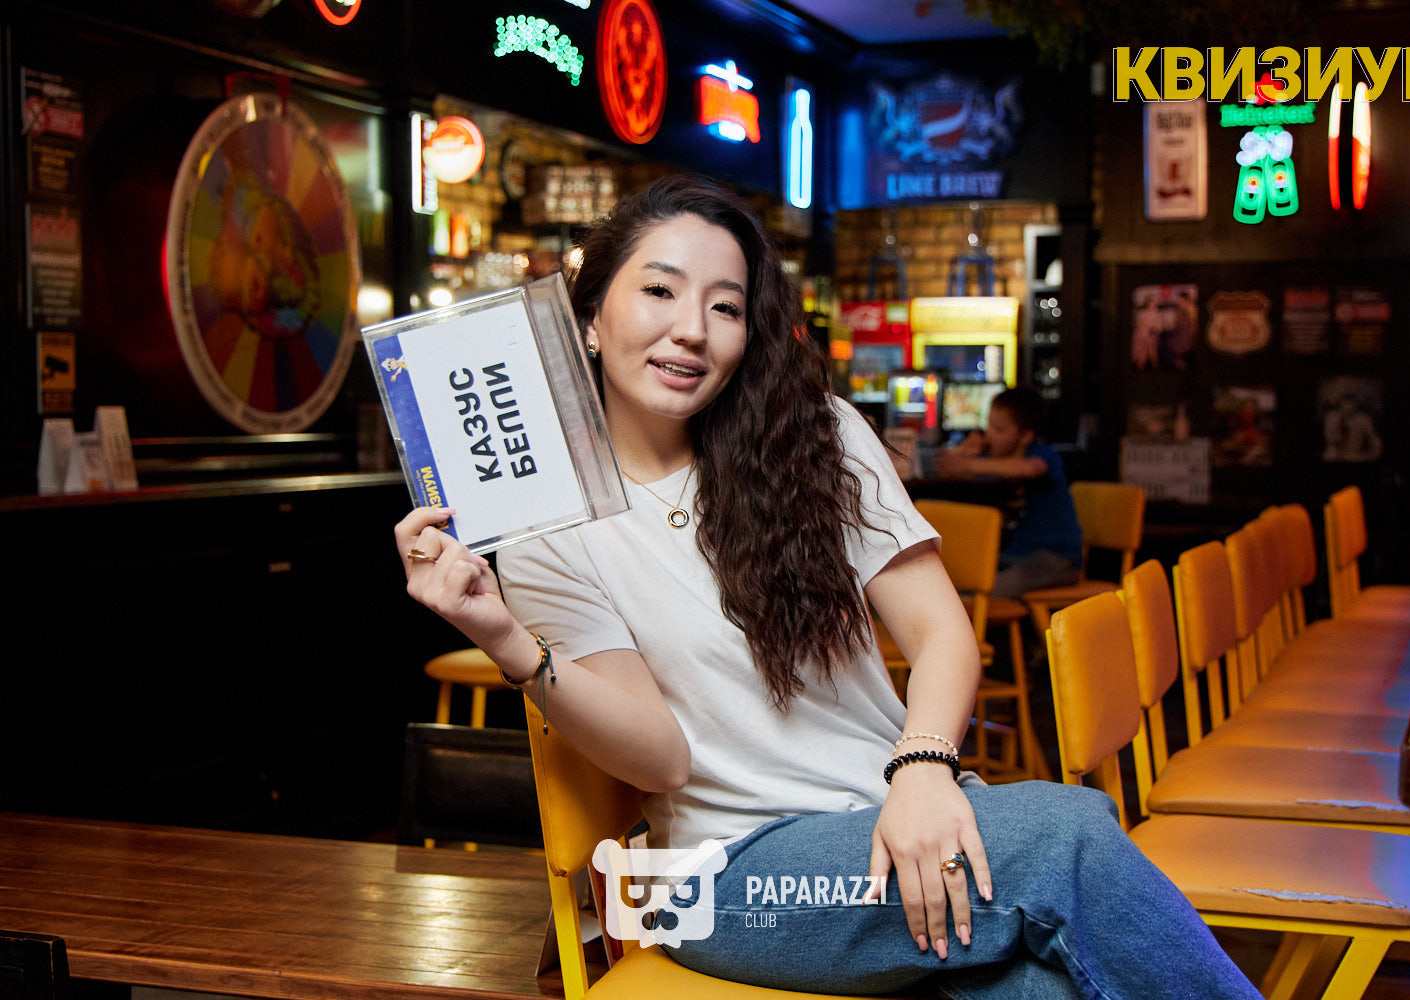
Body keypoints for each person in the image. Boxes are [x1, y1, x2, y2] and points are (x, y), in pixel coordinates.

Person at [395, 176, 1258, 999]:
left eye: (725, 307)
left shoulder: (817, 438)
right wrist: (508, 640)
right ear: (589, 317)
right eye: (659, 291)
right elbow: (661, 759)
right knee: (1065, 838)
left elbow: (943, 635)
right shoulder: (550, 529)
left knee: (1046, 987)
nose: (692, 330)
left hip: (897, 816)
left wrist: (924, 772)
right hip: (729, 881)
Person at [933, 388, 1083, 600]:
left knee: (984, 590)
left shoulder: (1043, 454)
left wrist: (970, 463)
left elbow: (1031, 468)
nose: (989, 434)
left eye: (998, 430)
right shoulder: (993, 459)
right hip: (1018, 553)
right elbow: (945, 467)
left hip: (1057, 558)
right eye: (988, 425)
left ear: (1025, 436)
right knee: (961, 578)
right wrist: (965, 450)